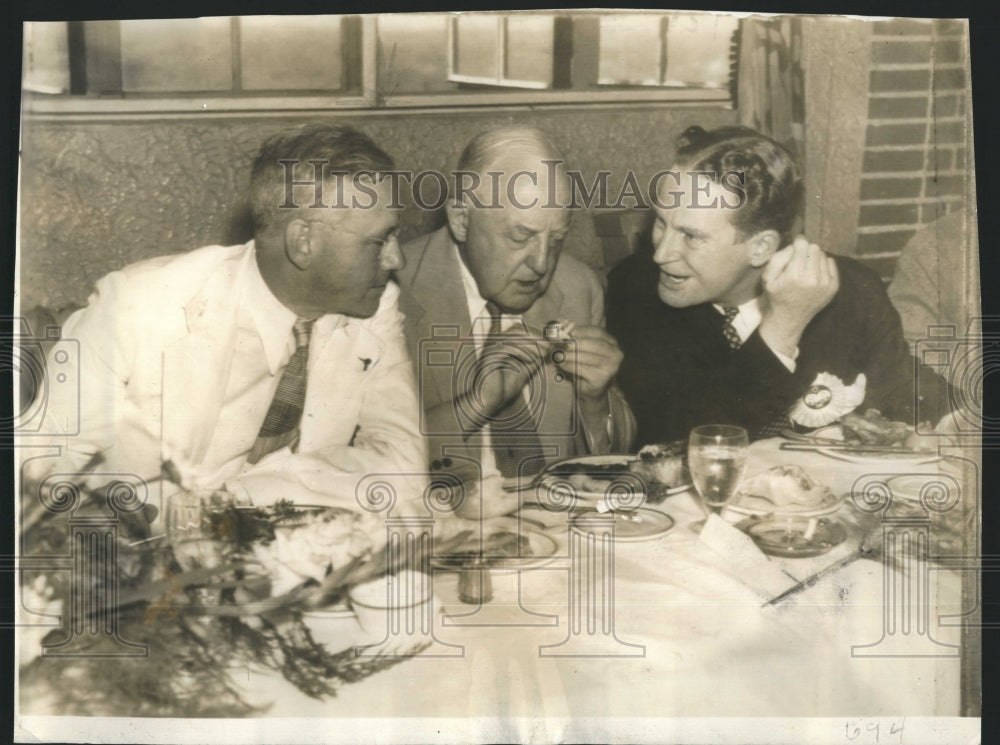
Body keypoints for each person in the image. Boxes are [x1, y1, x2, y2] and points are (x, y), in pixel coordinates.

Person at [20, 123, 426, 518]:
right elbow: (37, 474)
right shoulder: (140, 305)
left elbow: (404, 469)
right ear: (303, 242)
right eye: (379, 241)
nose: (397, 259)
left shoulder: (373, 305)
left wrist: (242, 497)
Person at [607, 124, 950, 445]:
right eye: (661, 223)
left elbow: (915, 400)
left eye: (691, 237)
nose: (661, 254)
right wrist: (780, 330)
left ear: (761, 248)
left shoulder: (852, 290)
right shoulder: (637, 290)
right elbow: (683, 441)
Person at [395, 127, 635, 507]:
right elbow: (366, 457)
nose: (541, 264)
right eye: (520, 237)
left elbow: (612, 459)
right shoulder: (392, 294)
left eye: (555, 240)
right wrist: (478, 402)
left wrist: (595, 400)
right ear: (460, 219)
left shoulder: (577, 287)